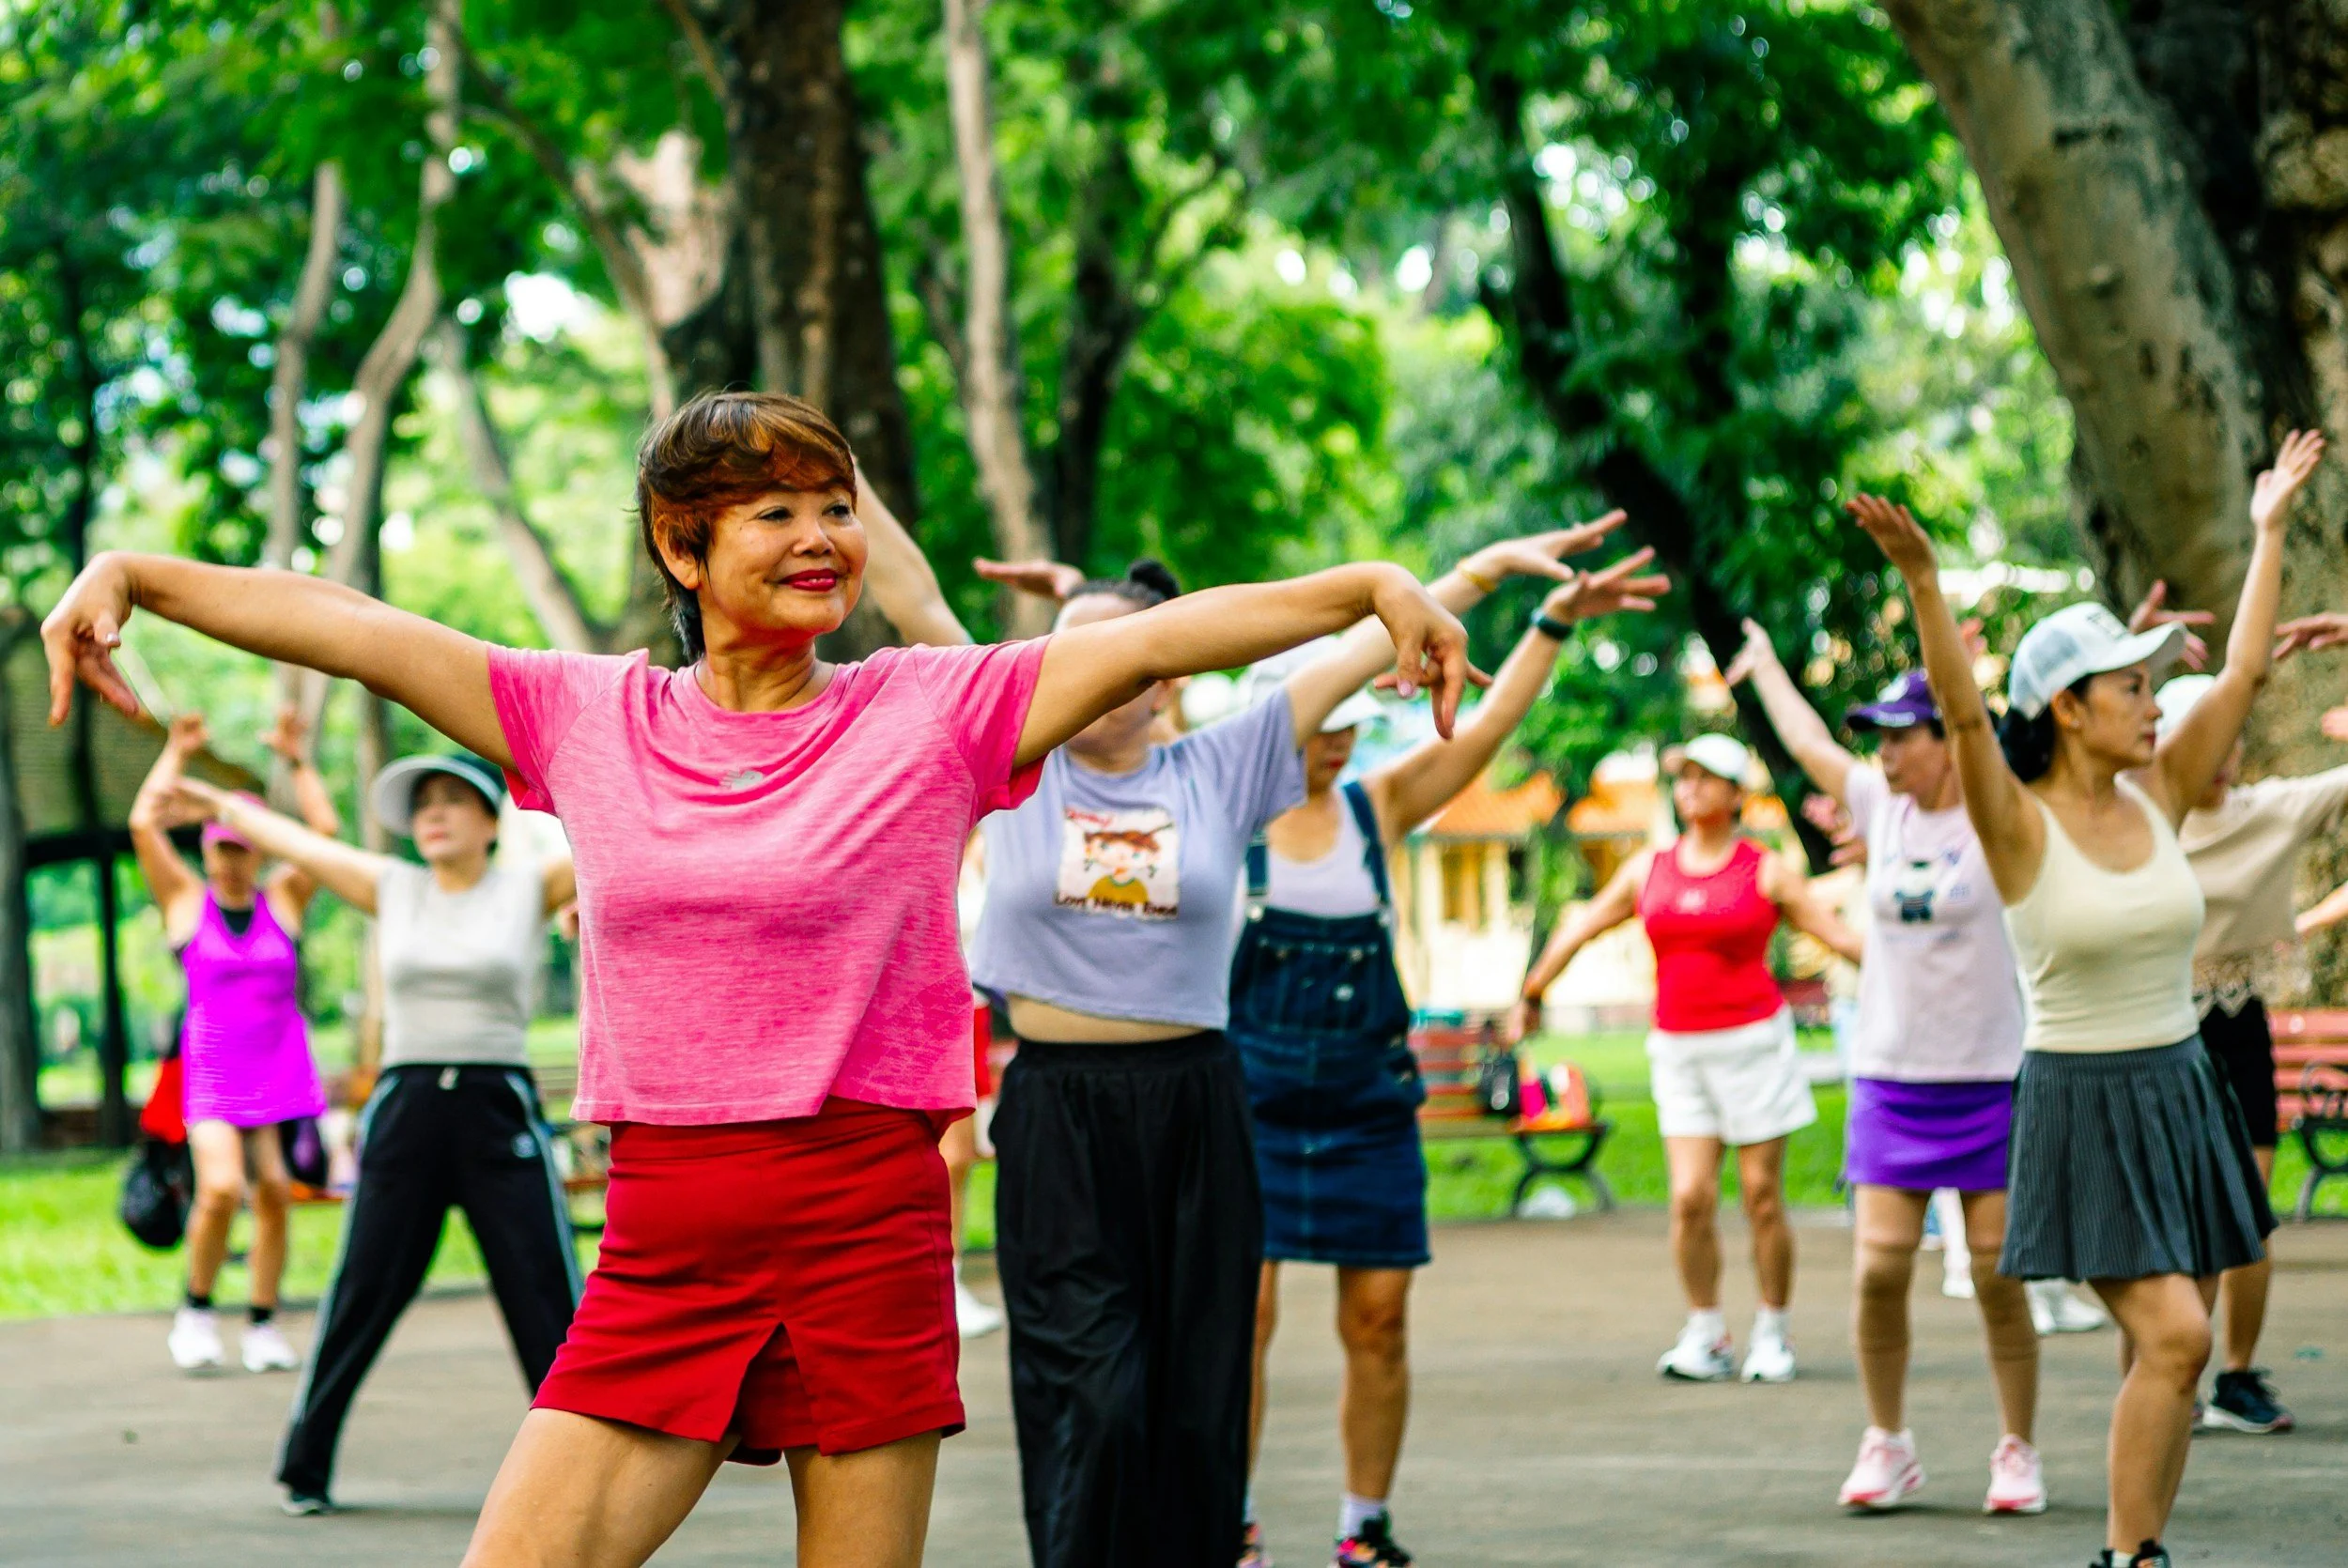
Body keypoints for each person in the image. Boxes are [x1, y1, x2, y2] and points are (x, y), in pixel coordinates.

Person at [40, 390, 1479, 1568]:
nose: (822, 536)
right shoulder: (581, 714)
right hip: (668, 1232)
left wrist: (1366, 589)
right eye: (777, 509)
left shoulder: (934, 708)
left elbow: (1160, 638)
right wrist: (141, 578)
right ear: (684, 548)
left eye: (837, 505)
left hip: (866, 1213)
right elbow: (351, 625)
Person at [950, 521, 1619, 1568]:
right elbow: (914, 605)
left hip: (1211, 1099)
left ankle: (1284, 1533)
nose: (1075, 678)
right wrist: (835, 490)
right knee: (1100, 1389)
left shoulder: (1234, 767)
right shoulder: (1011, 762)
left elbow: (1359, 639)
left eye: (1111, 656)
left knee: (1196, 1386)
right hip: (1070, 1106)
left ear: (1163, 676)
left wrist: (1474, 578)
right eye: (1061, 658)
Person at [1841, 425, 2323, 1568]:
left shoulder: (2159, 787)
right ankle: (2122, 1553)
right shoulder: (2014, 826)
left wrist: (2266, 532)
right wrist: (1921, 582)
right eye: (2131, 685)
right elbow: (1963, 721)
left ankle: (2135, 1548)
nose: (2156, 703)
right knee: (2178, 1332)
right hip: (2084, 1098)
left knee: (2171, 1354)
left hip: (2179, 1084)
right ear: (2065, 705)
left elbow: (2245, 669)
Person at [1239, 552, 1668, 1568]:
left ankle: (1362, 1522)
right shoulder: (1221, 815)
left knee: (1379, 1317)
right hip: (1247, 1100)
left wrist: (1551, 623)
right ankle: (1235, 1516)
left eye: (1345, 723)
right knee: (1238, 1319)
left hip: (1363, 1100)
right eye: (1315, 722)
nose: (1332, 742)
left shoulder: (1372, 808)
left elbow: (1484, 729)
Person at [162, 752, 583, 1513]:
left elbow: (618, 835)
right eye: (423, 802)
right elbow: (297, 844)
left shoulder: (529, 884)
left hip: (498, 1105)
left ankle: (583, 1474)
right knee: (362, 1289)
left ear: (492, 821)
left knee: (548, 1300)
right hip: (407, 1107)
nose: (434, 813)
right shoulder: (394, 886)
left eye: (455, 799)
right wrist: (216, 800)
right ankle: (305, 1466)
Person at [1725, 630, 2044, 1514]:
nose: (1888, 752)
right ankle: (1888, 1441)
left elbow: (2001, 725)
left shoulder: (1996, 807)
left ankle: (2016, 1448)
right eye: (1883, 737)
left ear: (1951, 739)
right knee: (1879, 1268)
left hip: (1988, 1075)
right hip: (1893, 1077)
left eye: (1906, 734)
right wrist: (1765, 669)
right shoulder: (1877, 803)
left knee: (1993, 1269)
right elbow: (1807, 747)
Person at [1517, 731, 1863, 1385]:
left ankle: (1772, 1330)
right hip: (1679, 1047)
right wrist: (1533, 989)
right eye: (1682, 778)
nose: (1690, 788)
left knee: (1762, 1196)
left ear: (1736, 794)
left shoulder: (1764, 869)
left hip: (1753, 1044)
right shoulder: (1650, 868)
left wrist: (1927, 974)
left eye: (1705, 778)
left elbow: (1839, 935)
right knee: (1690, 1197)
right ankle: (1706, 1329)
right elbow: (1583, 923)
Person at [2151, 669, 2348, 1435]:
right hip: (2156, 1022)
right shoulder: (2141, 819)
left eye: (2229, 732)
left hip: (2236, 1024)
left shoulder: (2272, 810)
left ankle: (2235, 1375)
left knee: (2247, 1213)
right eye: (2201, 733)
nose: (2220, 751)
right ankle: (2169, 1370)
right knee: (2172, 1216)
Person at [131, 708, 338, 1375]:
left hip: (277, 1064)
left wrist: (297, 759)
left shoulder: (285, 899)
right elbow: (144, 822)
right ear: (208, 849)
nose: (230, 860)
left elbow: (326, 834)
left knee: (275, 1191)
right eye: (221, 847)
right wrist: (178, 751)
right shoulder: (187, 902)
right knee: (220, 1188)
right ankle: (195, 1309)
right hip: (213, 1070)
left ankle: (262, 1321)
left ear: (257, 850)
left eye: (241, 847)